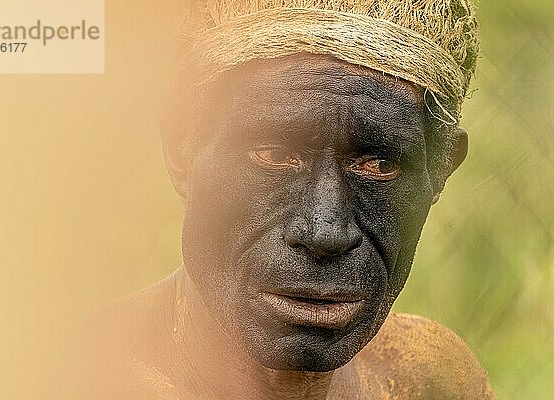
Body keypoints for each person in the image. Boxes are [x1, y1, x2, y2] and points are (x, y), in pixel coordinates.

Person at [88, 1, 496, 399]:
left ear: (439, 170)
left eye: (377, 164)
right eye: (274, 156)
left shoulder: (426, 379)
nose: (325, 232)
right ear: (180, 148)